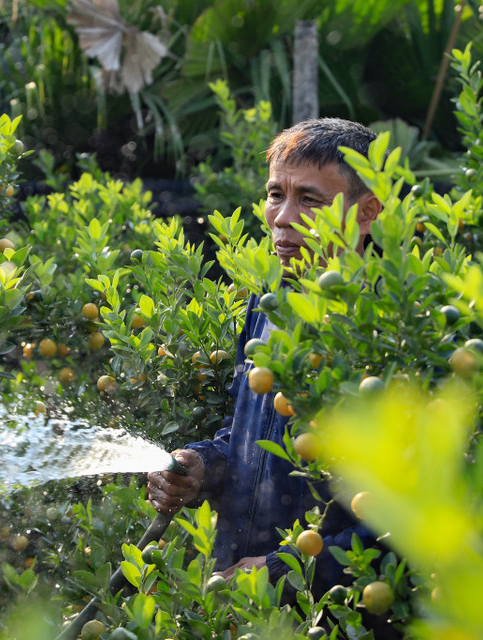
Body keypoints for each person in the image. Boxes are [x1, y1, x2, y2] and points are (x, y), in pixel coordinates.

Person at [147, 118, 384, 589]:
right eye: (276, 194)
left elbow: (405, 521)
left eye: (309, 199)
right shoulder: (268, 305)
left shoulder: (387, 332)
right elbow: (246, 434)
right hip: (238, 597)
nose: (282, 217)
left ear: (366, 211)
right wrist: (203, 467)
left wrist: (281, 572)